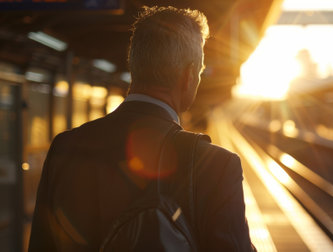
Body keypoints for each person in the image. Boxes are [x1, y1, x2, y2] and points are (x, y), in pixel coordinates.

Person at [29, 6, 254, 251]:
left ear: (135, 66)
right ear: (189, 75)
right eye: (199, 72)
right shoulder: (217, 166)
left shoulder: (65, 147)